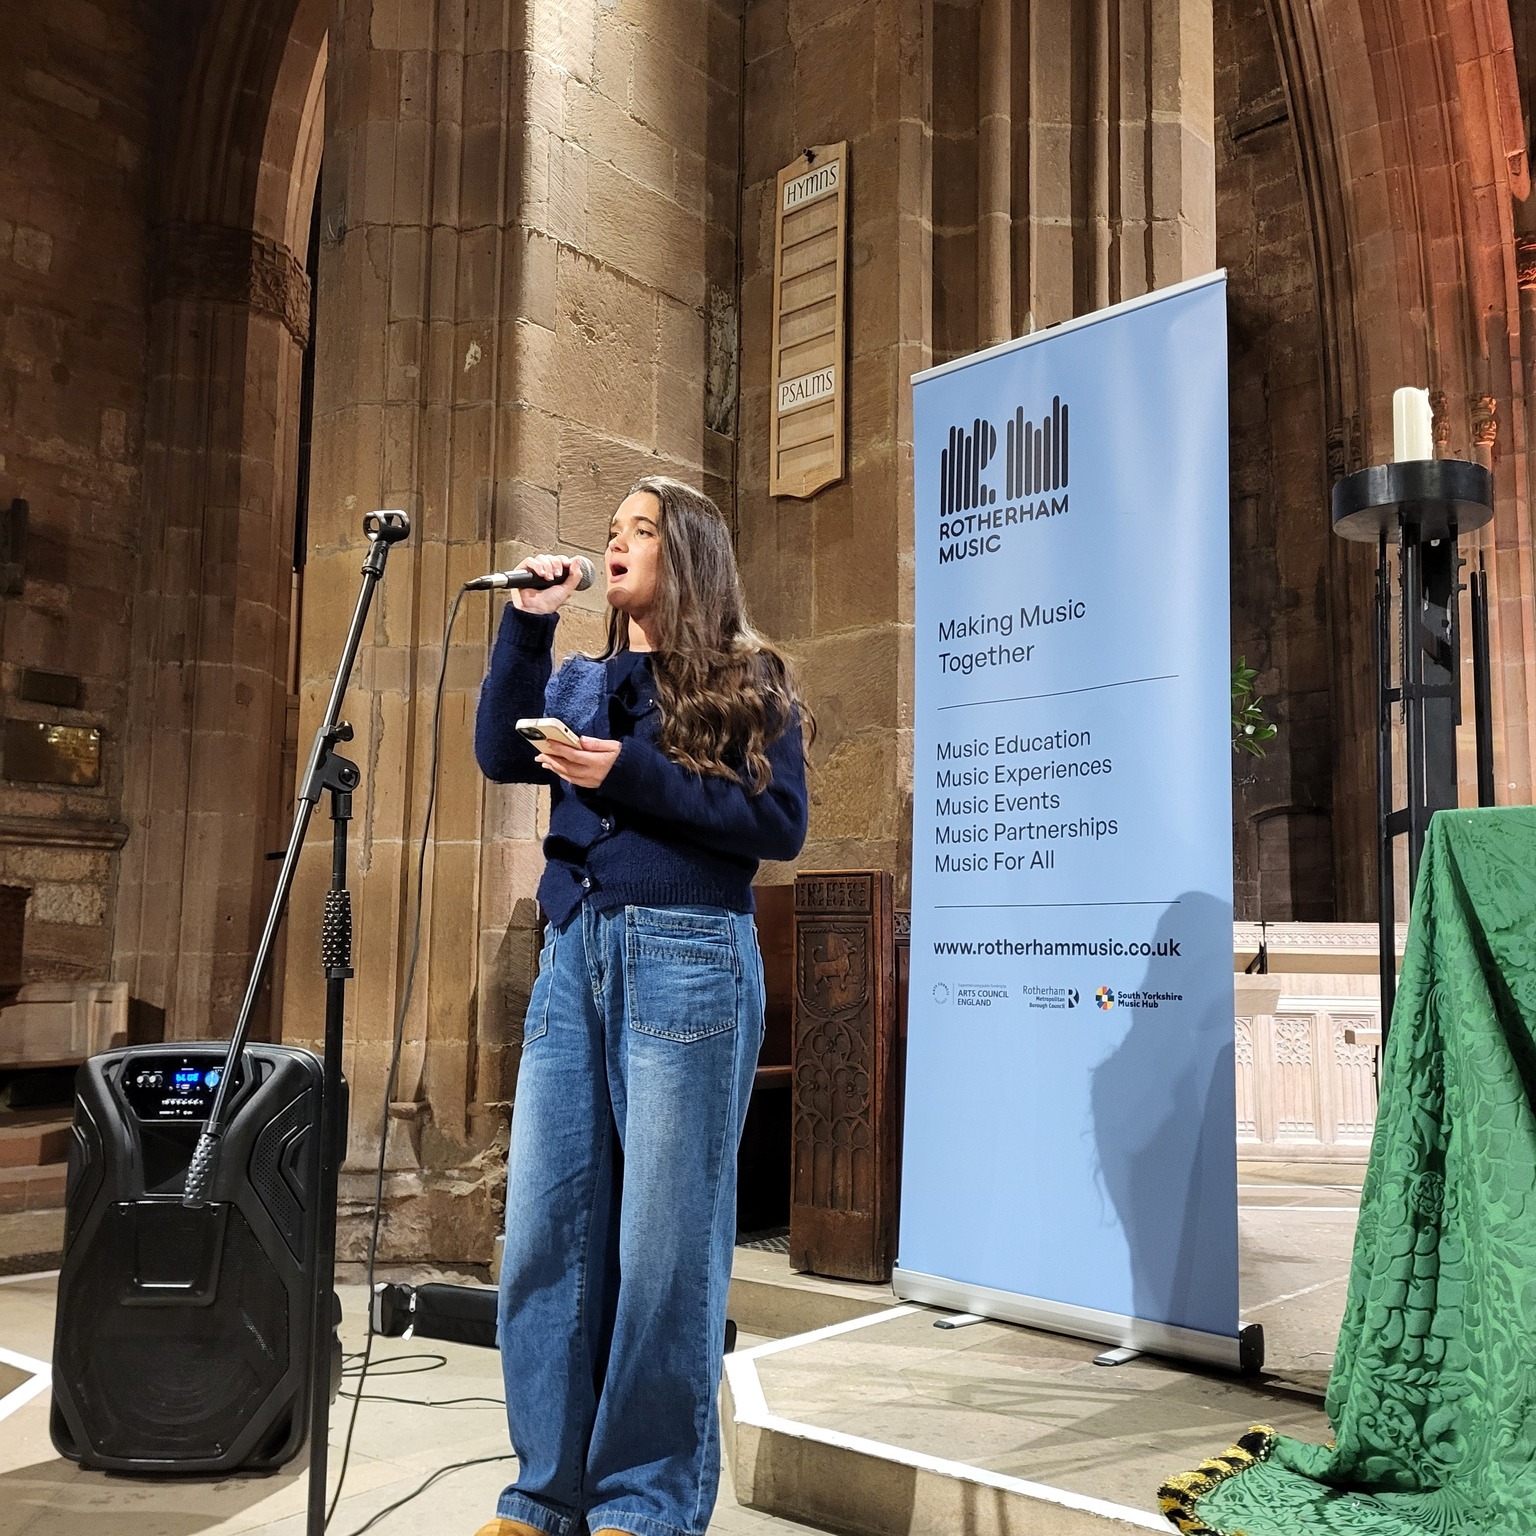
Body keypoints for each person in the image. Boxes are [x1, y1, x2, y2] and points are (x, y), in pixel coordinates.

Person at [471, 476, 811, 1536]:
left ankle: (646, 1503)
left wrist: (628, 775)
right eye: (609, 529)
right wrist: (526, 628)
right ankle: (543, 1498)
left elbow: (780, 824)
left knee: (664, 1248)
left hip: (688, 956)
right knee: (544, 1236)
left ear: (690, 553)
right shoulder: (577, 678)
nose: (615, 542)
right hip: (574, 957)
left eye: (640, 529)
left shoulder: (750, 677)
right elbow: (495, 751)